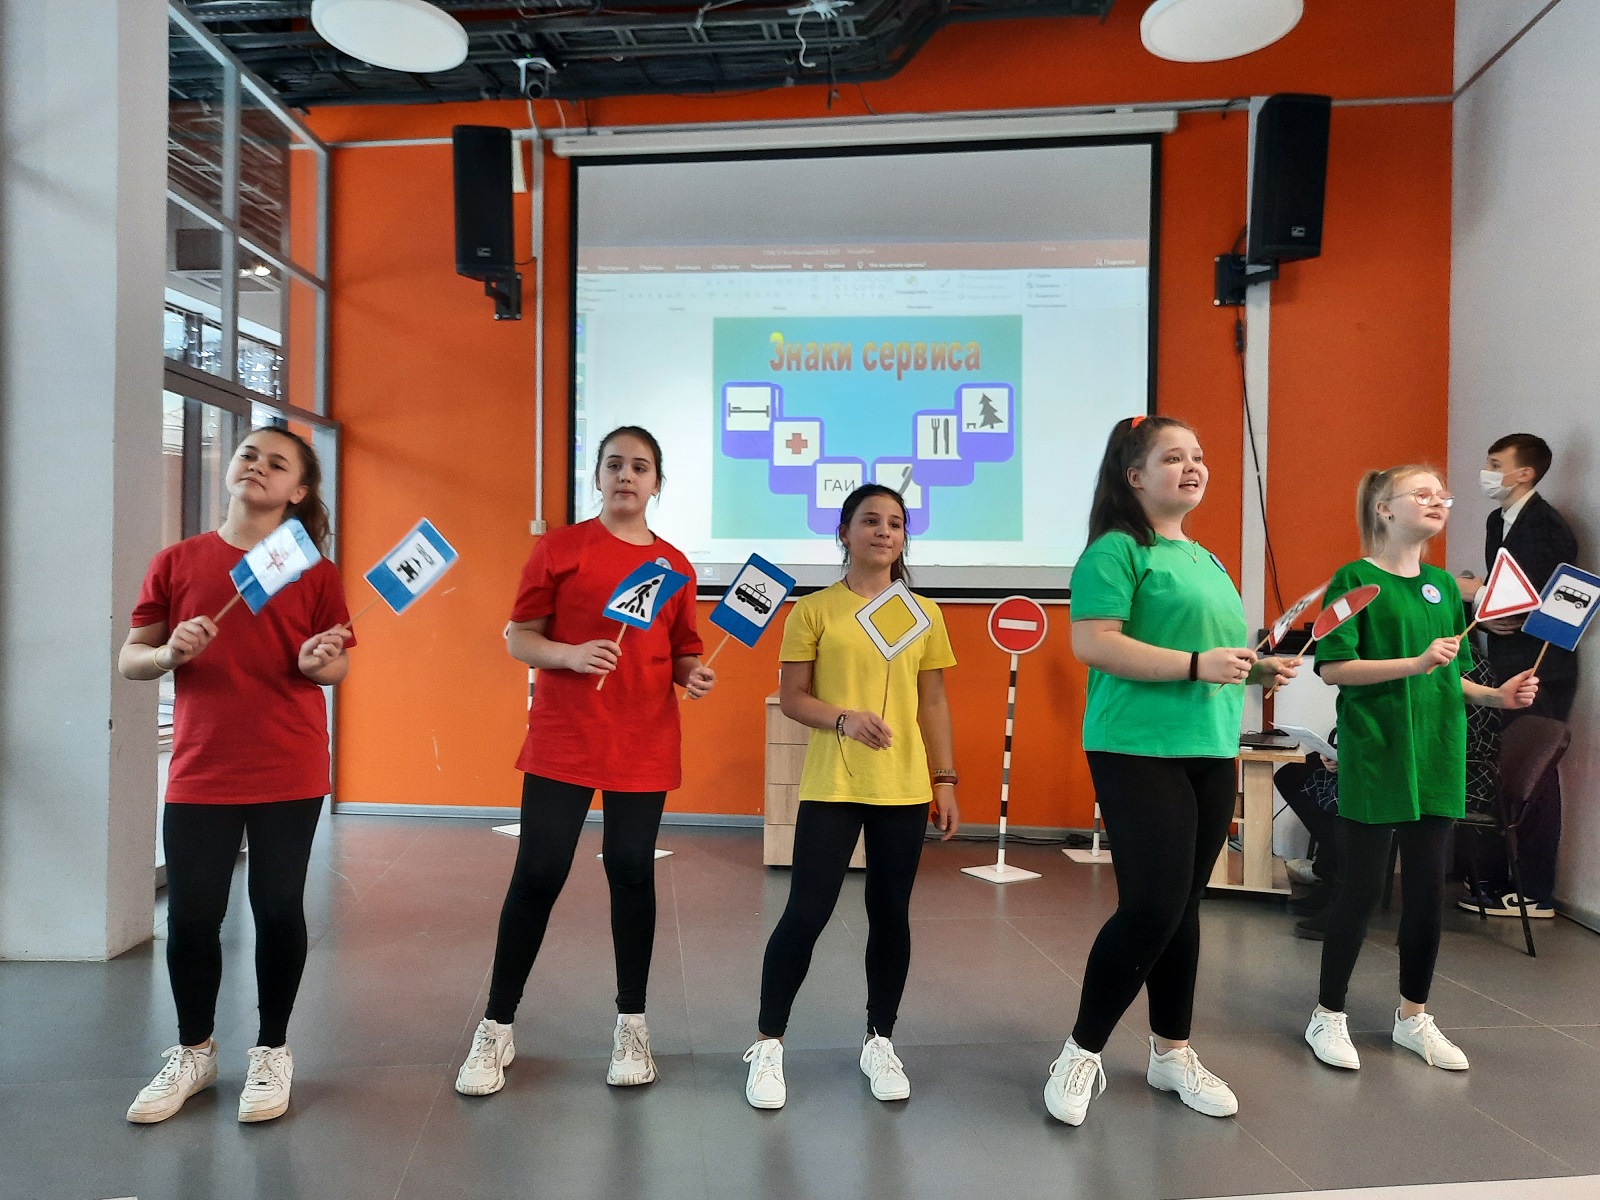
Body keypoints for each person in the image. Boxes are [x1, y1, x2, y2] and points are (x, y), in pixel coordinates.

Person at [1044, 415, 1296, 1127]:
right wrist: (1195, 665)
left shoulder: (1205, 558)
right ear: (1134, 477)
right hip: (1135, 747)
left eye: (1199, 456)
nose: (1193, 467)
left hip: (1209, 746)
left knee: (1183, 907)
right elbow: (1095, 644)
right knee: (1152, 906)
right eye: (1173, 457)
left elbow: (1212, 652)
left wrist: (1254, 668)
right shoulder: (1115, 551)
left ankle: (1171, 1054)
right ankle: (1080, 1052)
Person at [455, 427, 715, 1097]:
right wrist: (570, 656)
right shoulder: (559, 548)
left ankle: (632, 1024)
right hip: (565, 735)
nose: (627, 475)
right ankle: (496, 1025)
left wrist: (692, 673)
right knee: (538, 872)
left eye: (640, 467)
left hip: (643, 739)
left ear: (657, 483)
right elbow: (519, 637)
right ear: (597, 476)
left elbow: (683, 648)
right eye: (615, 464)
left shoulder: (675, 566)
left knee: (631, 871)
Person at [121, 426, 353, 1124]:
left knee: (278, 909)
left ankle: (272, 1049)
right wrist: (168, 655)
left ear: (298, 491)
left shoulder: (313, 571)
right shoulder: (177, 561)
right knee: (193, 917)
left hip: (288, 763)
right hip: (202, 767)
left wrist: (319, 663)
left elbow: (338, 661)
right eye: (250, 454)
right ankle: (193, 1051)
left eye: (277, 463)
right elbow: (132, 658)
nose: (257, 466)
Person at [1303, 466, 1538, 1074]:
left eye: (1442, 496)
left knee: (1426, 893)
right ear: (1385, 508)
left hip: (1436, 754)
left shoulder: (1441, 587)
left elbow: (1448, 676)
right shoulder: (1354, 579)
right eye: (1422, 494)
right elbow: (1333, 668)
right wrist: (1413, 662)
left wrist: (1497, 696)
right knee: (1359, 891)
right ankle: (1328, 1014)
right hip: (1378, 752)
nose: (1438, 502)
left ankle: (1413, 1016)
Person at [742, 484, 959, 1111]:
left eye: (895, 522)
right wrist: (844, 719)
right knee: (806, 913)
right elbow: (793, 698)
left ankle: (879, 1041)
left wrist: (944, 780)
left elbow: (934, 701)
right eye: (870, 520)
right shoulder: (813, 610)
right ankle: (768, 1044)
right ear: (843, 532)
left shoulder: (924, 613)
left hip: (903, 788)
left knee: (891, 916)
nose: (884, 531)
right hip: (834, 785)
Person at [1456, 433, 1578, 917]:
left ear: (1524, 473)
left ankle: (1534, 890)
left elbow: (1548, 599)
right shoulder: (1497, 521)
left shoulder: (1547, 525)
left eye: (1495, 464)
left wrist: (1478, 595)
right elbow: (1501, 599)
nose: (1486, 473)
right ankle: (1496, 877)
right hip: (1502, 664)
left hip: (1542, 667)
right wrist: (1485, 610)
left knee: (1534, 774)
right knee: (1505, 769)